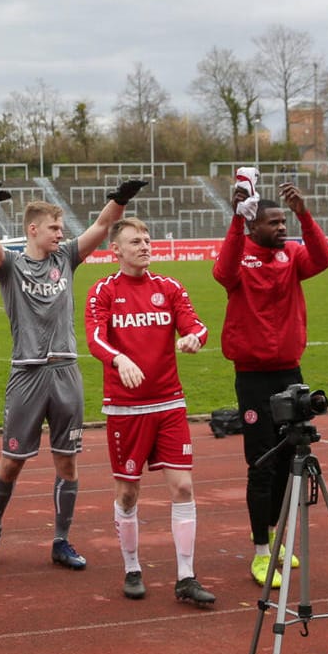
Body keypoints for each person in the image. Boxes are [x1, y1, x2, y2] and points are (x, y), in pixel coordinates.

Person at [0, 178, 141, 569]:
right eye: (54, 228)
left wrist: (119, 199)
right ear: (33, 229)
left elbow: (101, 226)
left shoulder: (65, 257)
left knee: (68, 462)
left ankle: (61, 540)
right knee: (11, 463)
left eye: (61, 229)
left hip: (66, 372)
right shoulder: (10, 265)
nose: (60, 234)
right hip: (28, 374)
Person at [212, 169, 328, 587]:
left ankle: (273, 535)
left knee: (287, 458)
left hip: (290, 373)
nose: (282, 228)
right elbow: (222, 273)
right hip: (252, 378)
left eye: (285, 222)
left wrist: (305, 216)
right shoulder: (240, 255)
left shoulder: (293, 254)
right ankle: (261, 553)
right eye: (275, 222)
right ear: (254, 225)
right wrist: (235, 219)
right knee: (260, 463)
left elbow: (323, 260)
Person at [87, 216, 213, 605]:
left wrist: (193, 338)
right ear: (116, 250)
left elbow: (198, 326)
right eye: (134, 241)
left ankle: (186, 577)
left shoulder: (169, 286)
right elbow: (94, 337)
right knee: (127, 494)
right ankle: (132, 567)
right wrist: (118, 360)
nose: (144, 245)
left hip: (170, 402)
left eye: (146, 239)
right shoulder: (104, 290)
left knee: (183, 486)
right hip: (126, 409)